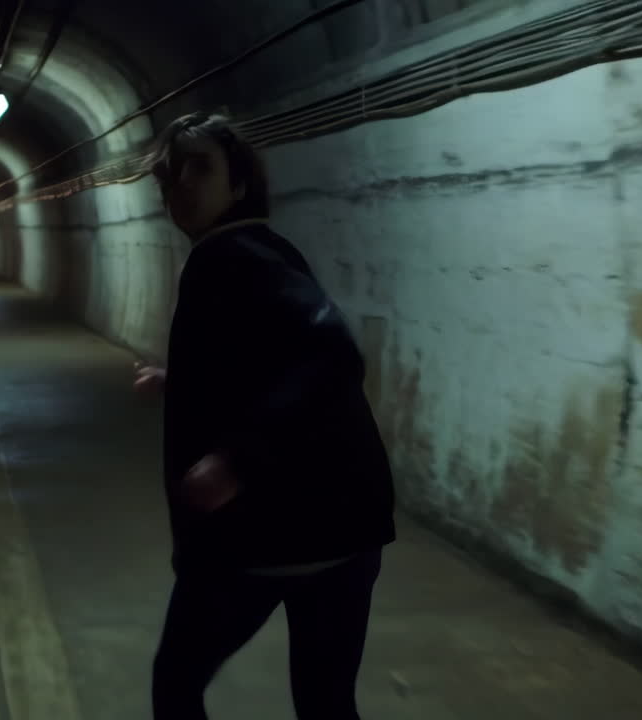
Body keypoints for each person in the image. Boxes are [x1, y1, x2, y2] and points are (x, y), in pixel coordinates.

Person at [133, 111, 397, 720]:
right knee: (326, 702)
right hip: (342, 531)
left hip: (271, 533)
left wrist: (234, 460)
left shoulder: (229, 255)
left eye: (200, 167)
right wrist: (186, 383)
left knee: (176, 683)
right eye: (170, 175)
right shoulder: (264, 249)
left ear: (240, 184)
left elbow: (331, 351)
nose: (181, 184)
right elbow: (275, 355)